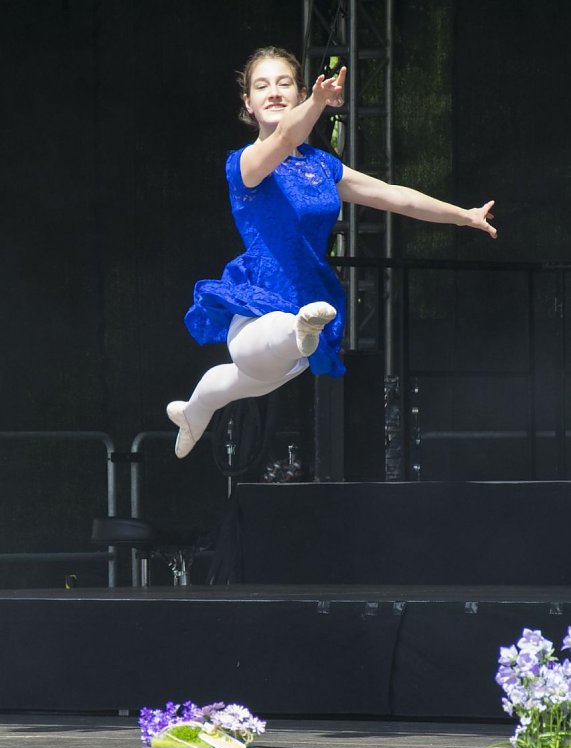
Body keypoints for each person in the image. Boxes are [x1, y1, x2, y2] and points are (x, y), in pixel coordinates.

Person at [167, 46, 497, 458]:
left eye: (284, 83)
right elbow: (288, 135)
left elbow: (394, 196)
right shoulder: (245, 163)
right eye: (262, 86)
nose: (273, 92)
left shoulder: (321, 166)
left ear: (298, 90)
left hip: (307, 297)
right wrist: (317, 103)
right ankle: (296, 330)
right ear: (247, 103)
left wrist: (462, 216)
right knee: (267, 350)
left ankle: (192, 411)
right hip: (257, 303)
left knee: (243, 381)